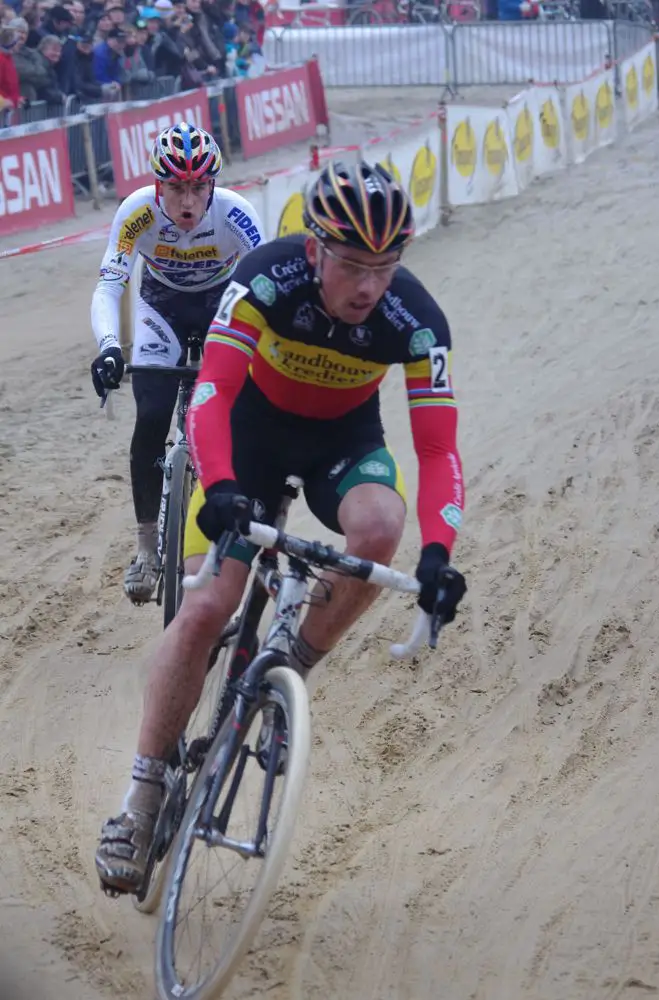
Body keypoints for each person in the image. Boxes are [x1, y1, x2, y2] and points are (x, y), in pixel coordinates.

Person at [94, 159, 468, 896]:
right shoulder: (267, 278)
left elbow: (437, 449)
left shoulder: (415, 321)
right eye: (354, 265)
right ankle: (141, 794)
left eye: (386, 267)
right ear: (313, 250)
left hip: (342, 444)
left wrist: (438, 554)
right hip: (248, 439)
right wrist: (224, 487)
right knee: (206, 605)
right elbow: (212, 393)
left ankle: (291, 664)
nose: (369, 287)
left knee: (381, 525)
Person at [89, 122, 265, 606]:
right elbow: (110, 284)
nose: (187, 202)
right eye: (175, 187)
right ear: (156, 184)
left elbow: (267, 288)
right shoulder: (136, 213)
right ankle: (147, 546)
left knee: (233, 418)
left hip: (220, 307)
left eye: (198, 187)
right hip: (159, 306)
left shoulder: (236, 214)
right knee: (150, 416)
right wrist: (108, 346)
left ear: (213, 184)